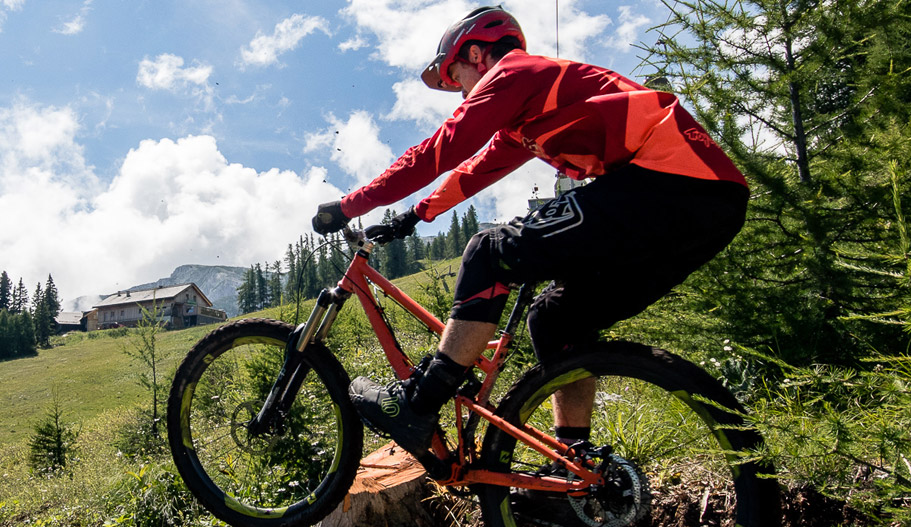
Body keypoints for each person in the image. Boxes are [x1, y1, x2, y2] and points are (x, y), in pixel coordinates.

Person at [309, 6, 749, 479]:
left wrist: (349, 206)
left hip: (667, 183)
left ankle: (419, 403)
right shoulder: (527, 110)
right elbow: (475, 170)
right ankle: (576, 462)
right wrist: (414, 216)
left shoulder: (513, 73)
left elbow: (440, 149)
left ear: (477, 54)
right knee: (556, 320)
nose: (457, 90)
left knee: (487, 252)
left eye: (455, 76)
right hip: (710, 205)